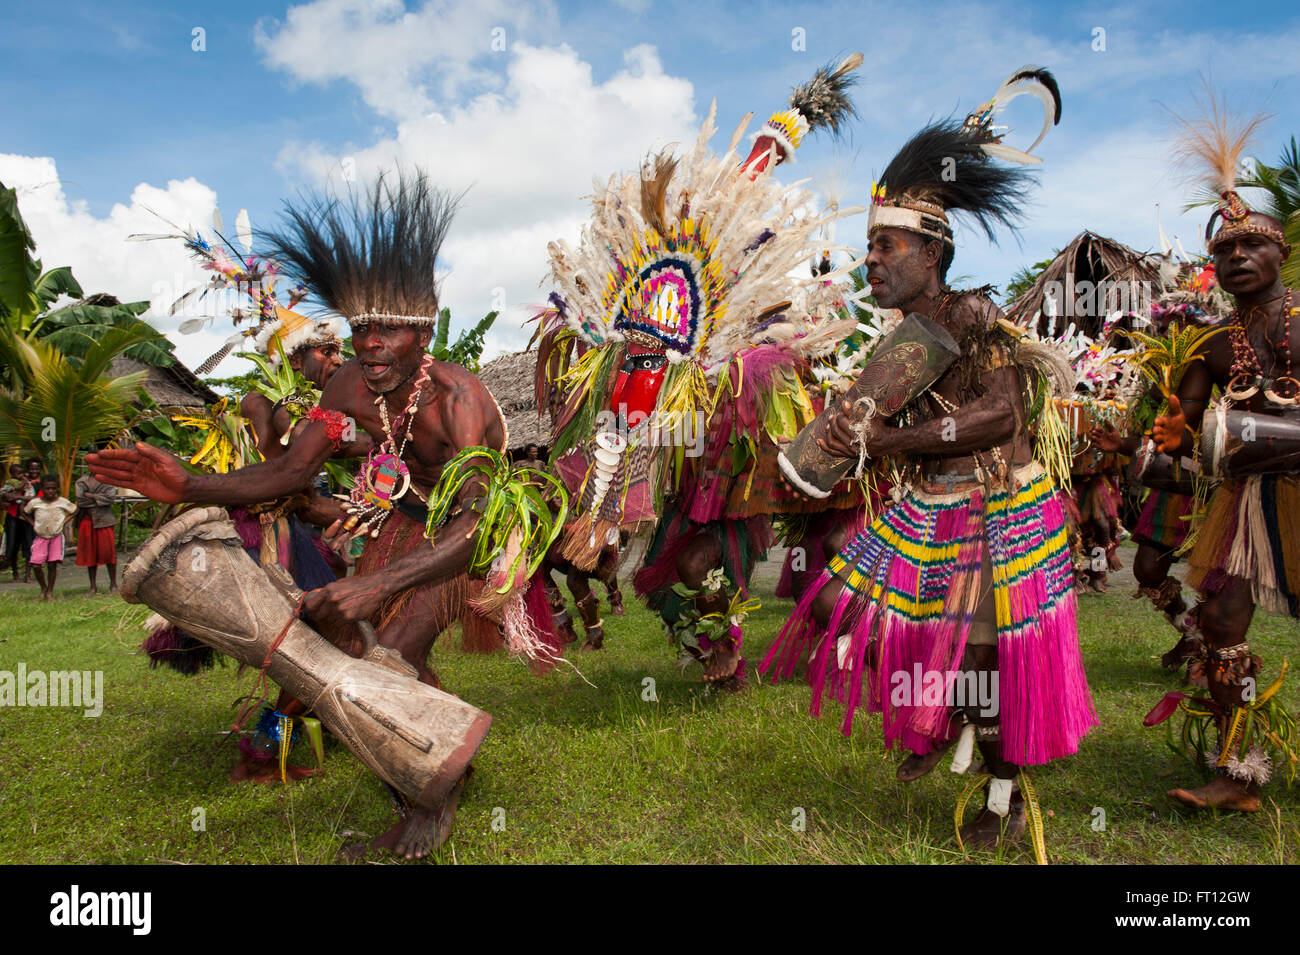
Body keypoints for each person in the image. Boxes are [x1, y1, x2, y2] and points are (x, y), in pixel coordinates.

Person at [89, 171, 559, 859]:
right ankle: (438, 754)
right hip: (402, 522)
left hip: (474, 533)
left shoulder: (457, 400)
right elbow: (285, 472)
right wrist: (187, 483)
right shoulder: (345, 386)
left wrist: (379, 584)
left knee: (396, 648)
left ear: (423, 330)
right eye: (360, 327)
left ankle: (428, 798)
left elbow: (471, 526)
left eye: (389, 330)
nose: (370, 344)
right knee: (348, 644)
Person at [762, 68, 1097, 851]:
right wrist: (846, 441)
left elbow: (1001, 413)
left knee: (986, 665)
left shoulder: (970, 314)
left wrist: (886, 441)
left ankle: (1004, 793)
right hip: (935, 509)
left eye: (887, 245)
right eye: (868, 246)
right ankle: (938, 722)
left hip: (1000, 510)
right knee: (872, 624)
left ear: (932, 250)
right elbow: (881, 434)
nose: (871, 260)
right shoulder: (901, 340)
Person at [1147, 100, 1300, 812]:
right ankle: (1238, 772)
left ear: (1282, 252)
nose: (1237, 259)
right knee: (1220, 624)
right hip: (1248, 505)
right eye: (1223, 252)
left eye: (1250, 248)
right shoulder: (1207, 345)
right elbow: (1184, 424)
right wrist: (1173, 434)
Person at [24, 475, 76, 601]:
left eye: (53, 489)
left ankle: (50, 592)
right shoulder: (35, 502)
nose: (50, 491)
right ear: (42, 488)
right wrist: (32, 523)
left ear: (56, 489)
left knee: (52, 565)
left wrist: (64, 521)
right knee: (36, 564)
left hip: (56, 536)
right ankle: (43, 588)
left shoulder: (62, 502)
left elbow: (75, 510)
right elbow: (24, 511)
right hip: (41, 536)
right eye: (47, 489)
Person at [75, 468, 118, 594]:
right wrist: (99, 499)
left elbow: (110, 498)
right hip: (87, 521)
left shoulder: (108, 480)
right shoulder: (81, 481)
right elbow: (81, 500)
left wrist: (91, 495)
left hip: (104, 521)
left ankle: (113, 584)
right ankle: (93, 586)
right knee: (90, 554)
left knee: (109, 553)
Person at [3, 463, 36, 583]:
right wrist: (20, 496)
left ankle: (27, 575)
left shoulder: (33, 483)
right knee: (12, 545)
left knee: (29, 544)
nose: (21, 475)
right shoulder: (11, 483)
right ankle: (15, 573)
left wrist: (18, 497)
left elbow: (32, 497)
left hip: (27, 517)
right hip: (13, 516)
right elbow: (6, 495)